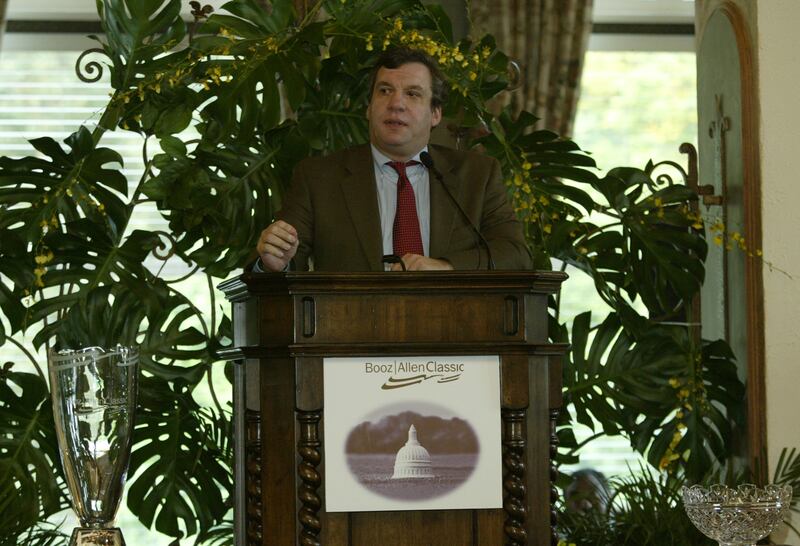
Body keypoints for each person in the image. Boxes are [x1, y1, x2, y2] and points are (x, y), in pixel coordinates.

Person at [255, 47, 532, 272]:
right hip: (351, 333)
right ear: (369, 107)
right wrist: (275, 263)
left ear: (435, 113)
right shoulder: (318, 178)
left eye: (412, 94)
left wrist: (446, 267)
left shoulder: (477, 175)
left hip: (452, 333)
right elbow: (287, 260)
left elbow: (515, 254)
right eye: (385, 91)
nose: (396, 104)